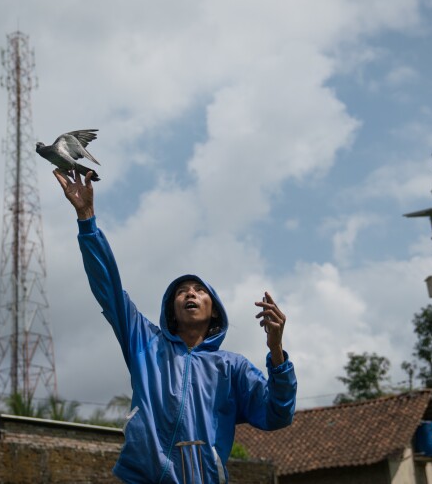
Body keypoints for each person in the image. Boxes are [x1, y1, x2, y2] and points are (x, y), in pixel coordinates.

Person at [54, 169, 296, 484]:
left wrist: (276, 351)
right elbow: (108, 289)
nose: (190, 294)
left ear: (214, 311)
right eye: (182, 291)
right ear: (172, 307)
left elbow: (278, 415)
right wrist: (86, 218)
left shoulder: (231, 368)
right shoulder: (145, 343)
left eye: (199, 290)